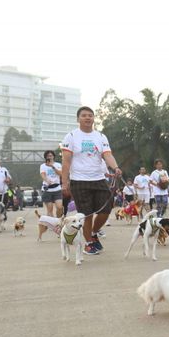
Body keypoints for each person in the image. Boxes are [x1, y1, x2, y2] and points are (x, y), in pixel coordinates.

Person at [61, 106, 122, 255]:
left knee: (106, 210)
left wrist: (115, 167)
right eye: (84, 116)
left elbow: (107, 155)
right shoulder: (71, 136)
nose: (88, 118)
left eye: (90, 115)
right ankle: (88, 243)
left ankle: (94, 232)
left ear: (94, 118)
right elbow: (66, 161)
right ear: (78, 119)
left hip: (99, 179)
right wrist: (64, 182)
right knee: (86, 214)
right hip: (79, 180)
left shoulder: (100, 136)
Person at [39, 150, 63, 217]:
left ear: (53, 156)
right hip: (47, 189)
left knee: (59, 207)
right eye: (48, 156)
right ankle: (51, 225)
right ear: (45, 157)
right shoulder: (43, 166)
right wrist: (47, 180)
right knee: (50, 209)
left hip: (57, 189)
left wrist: (52, 167)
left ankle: (58, 221)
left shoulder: (58, 165)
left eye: (51, 156)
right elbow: (43, 174)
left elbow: (61, 174)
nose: (49, 157)